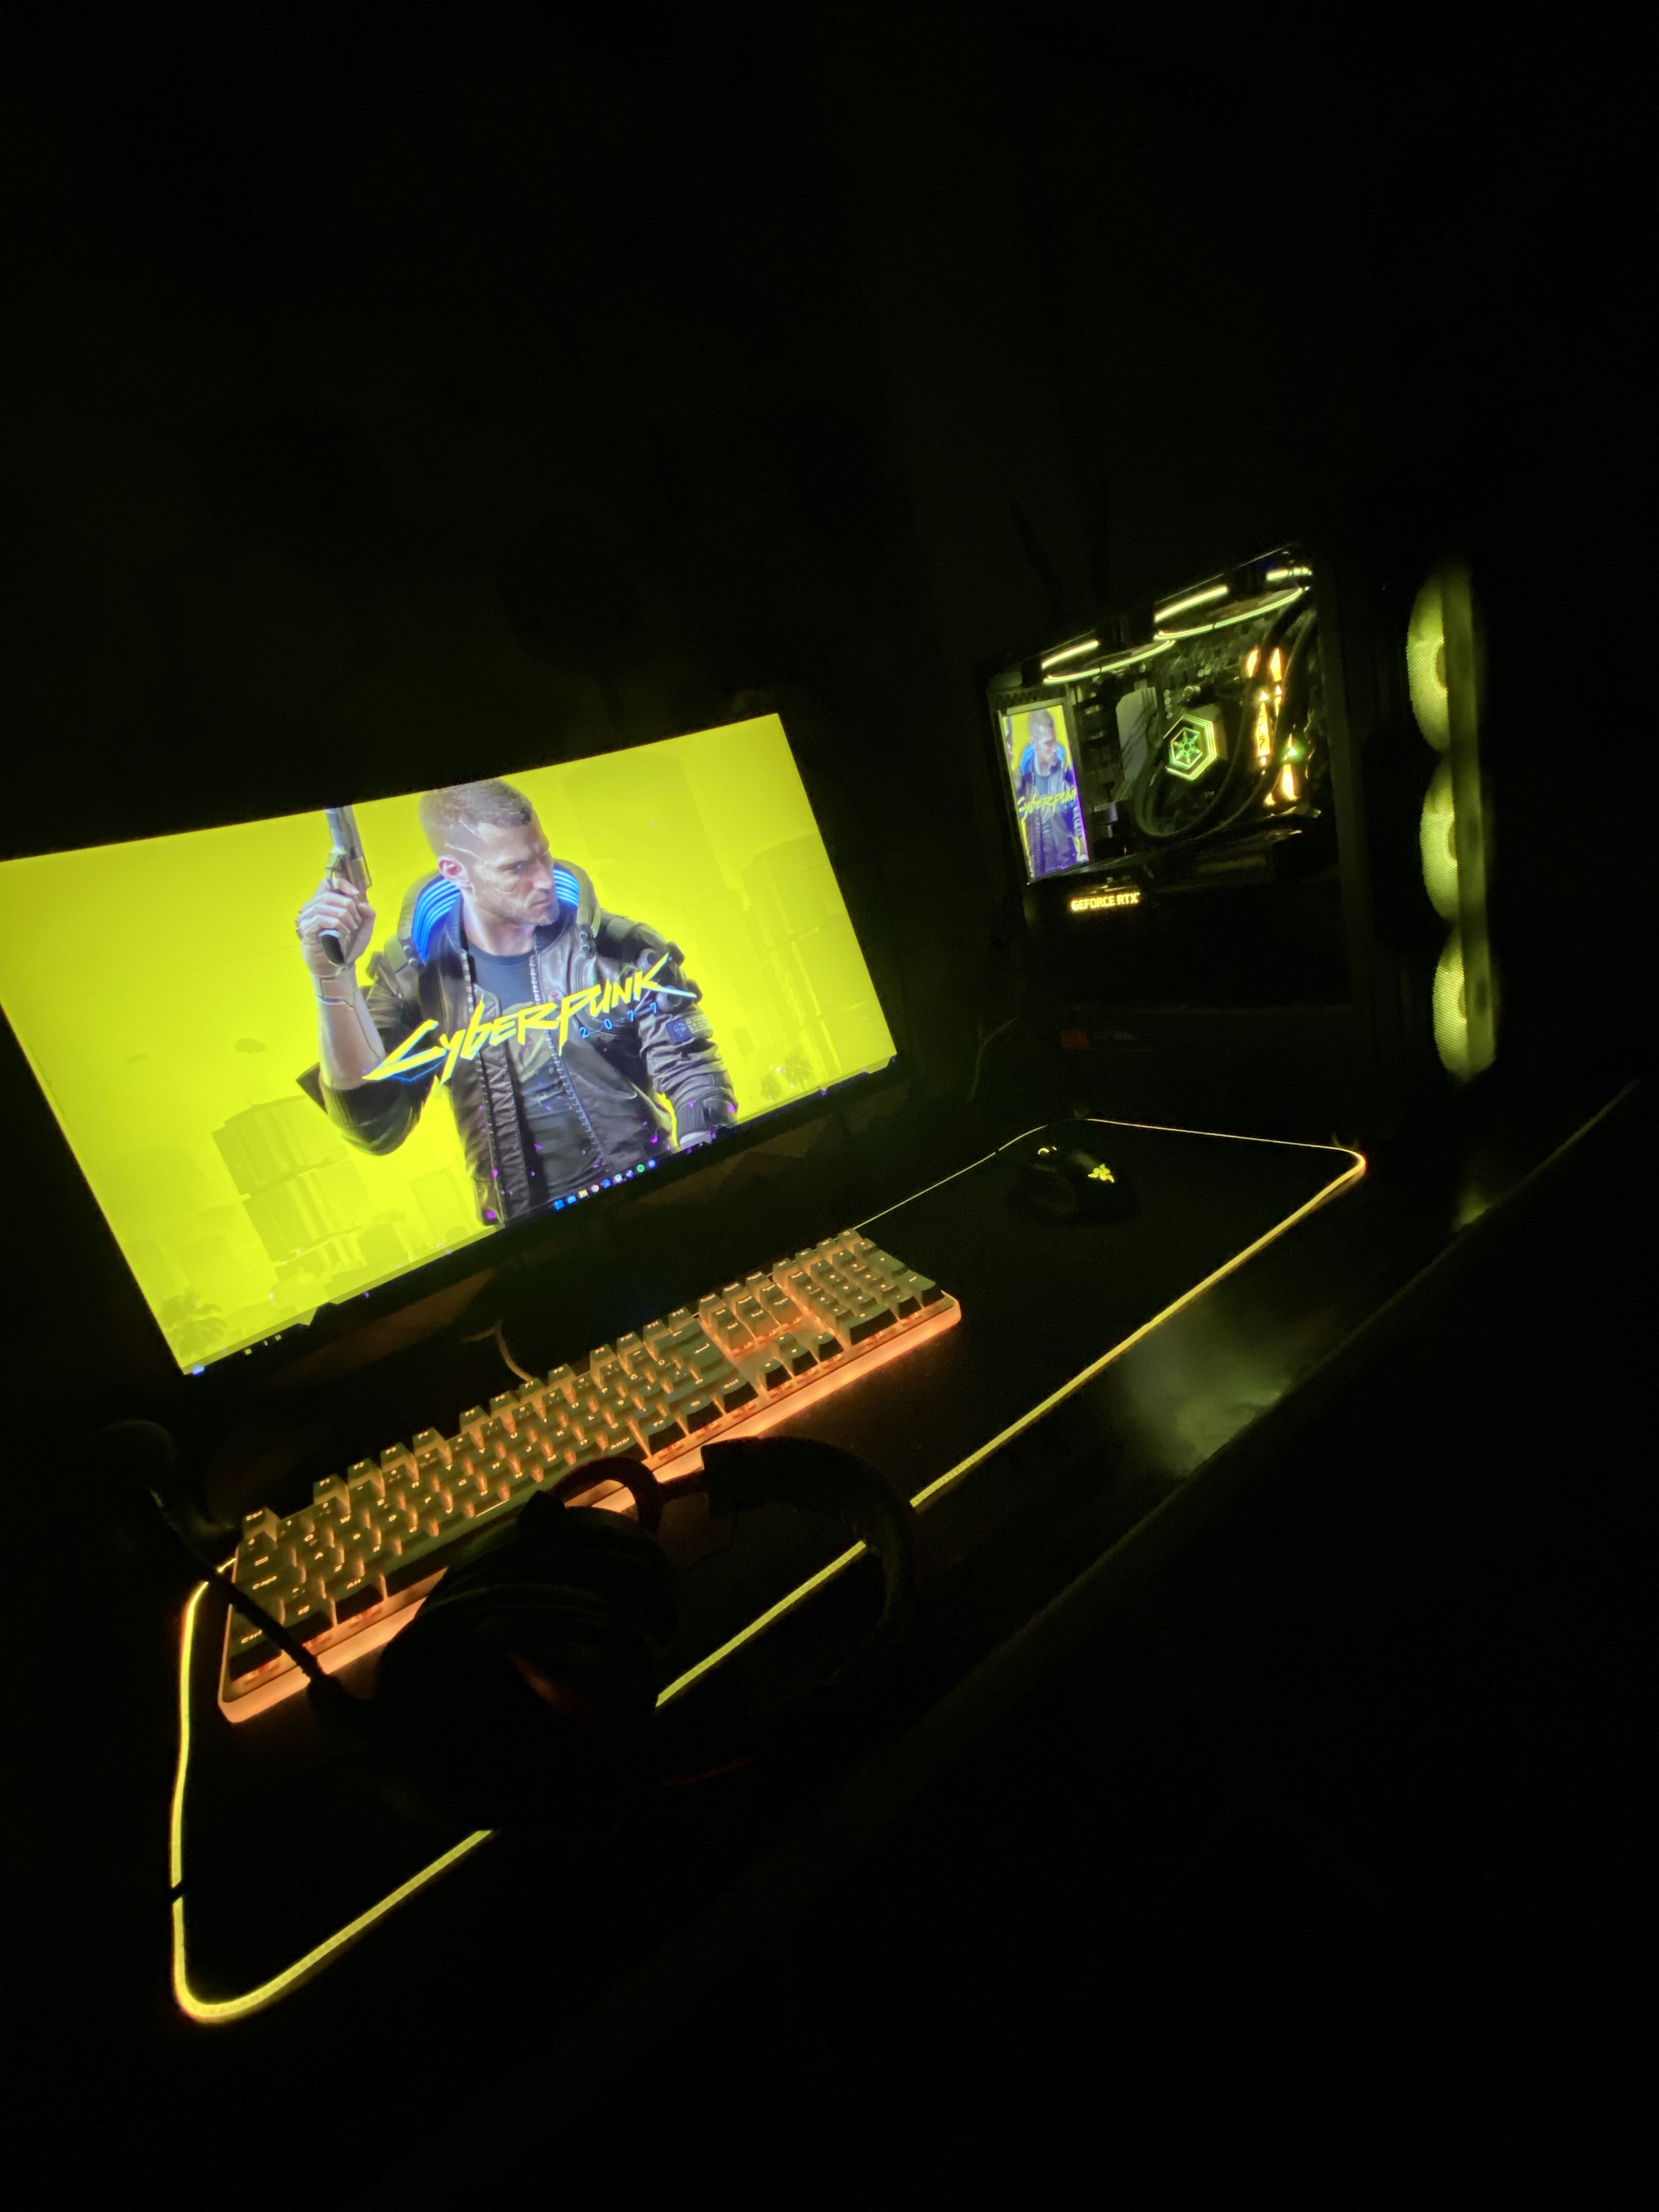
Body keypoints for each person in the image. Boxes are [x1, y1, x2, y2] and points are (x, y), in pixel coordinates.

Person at [296, 778, 735, 1224]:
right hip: (529, 1241)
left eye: (544, 854)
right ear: (455, 872)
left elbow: (693, 1073)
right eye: (516, 868)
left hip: (654, 1202)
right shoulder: (414, 979)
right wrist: (332, 977)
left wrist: (700, 1180)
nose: (543, 879)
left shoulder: (620, 948)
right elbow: (374, 1127)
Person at [1014, 709, 1087, 875]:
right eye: (1048, 744)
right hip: (1040, 872)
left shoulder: (1066, 774)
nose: (1054, 748)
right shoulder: (1022, 781)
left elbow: (1079, 817)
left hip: (1070, 866)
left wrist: (1084, 851)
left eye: (1054, 741)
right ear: (1033, 743)